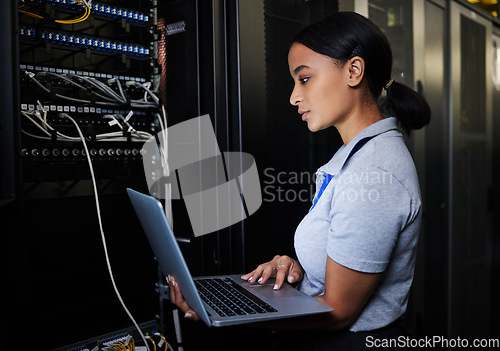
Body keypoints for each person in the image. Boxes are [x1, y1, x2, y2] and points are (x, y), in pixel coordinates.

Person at [168, 11, 430, 350]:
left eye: (303, 79)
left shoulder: (374, 174)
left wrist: (235, 316)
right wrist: (298, 269)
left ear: (353, 71)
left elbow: (338, 313)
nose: (293, 96)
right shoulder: (360, 157)